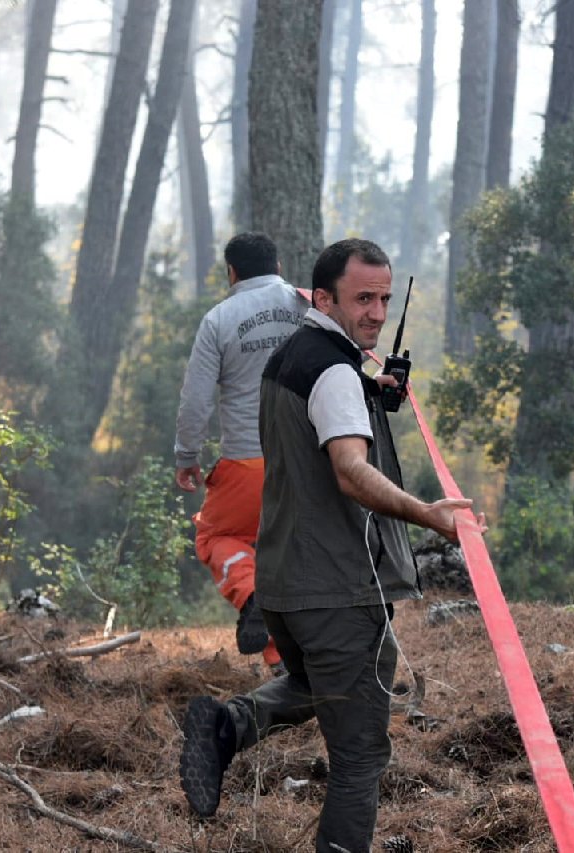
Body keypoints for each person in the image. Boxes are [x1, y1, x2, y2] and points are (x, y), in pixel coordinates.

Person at [179, 238, 482, 852]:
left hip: (285, 586)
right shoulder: (336, 372)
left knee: (322, 682)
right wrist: (427, 513)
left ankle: (227, 726)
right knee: (360, 755)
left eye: (384, 299)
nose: (375, 312)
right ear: (320, 297)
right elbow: (348, 469)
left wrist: (376, 393)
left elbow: (320, 418)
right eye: (361, 298)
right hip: (336, 588)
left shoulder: (292, 357)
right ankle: (229, 731)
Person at [174, 232, 308, 669]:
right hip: (314, 461)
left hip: (248, 462)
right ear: (279, 266)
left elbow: (196, 399)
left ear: (231, 272)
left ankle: (253, 599)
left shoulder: (219, 319)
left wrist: (186, 456)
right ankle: (286, 666)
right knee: (290, 558)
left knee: (217, 537)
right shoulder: (308, 306)